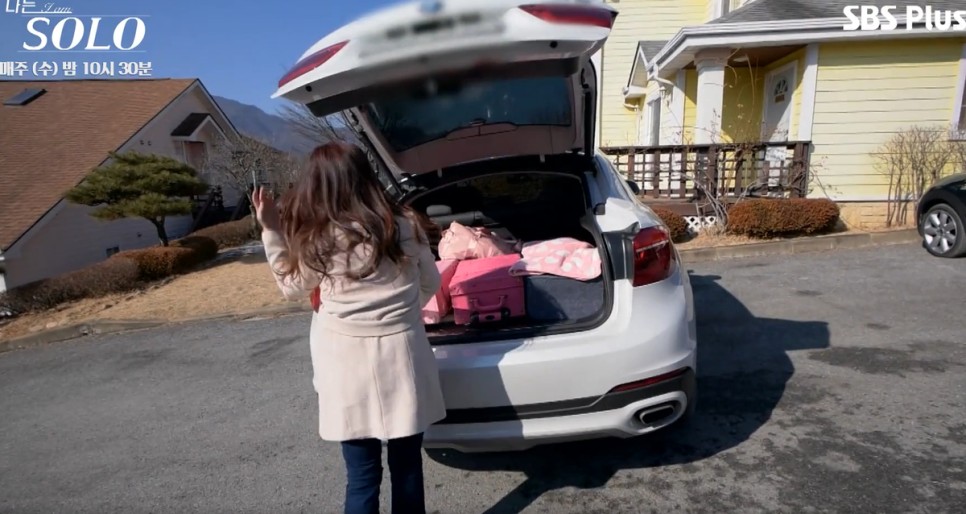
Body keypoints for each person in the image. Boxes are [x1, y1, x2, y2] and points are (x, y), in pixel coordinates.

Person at [252, 142, 446, 514]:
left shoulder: (318, 237)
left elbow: (292, 288)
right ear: (366, 177)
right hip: (404, 364)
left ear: (317, 185)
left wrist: (272, 231)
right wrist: (403, 310)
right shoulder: (404, 223)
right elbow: (431, 285)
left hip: (345, 371)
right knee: (407, 470)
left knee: (361, 477)